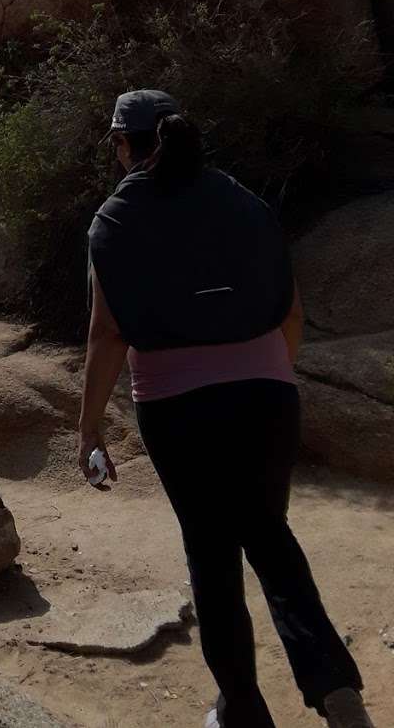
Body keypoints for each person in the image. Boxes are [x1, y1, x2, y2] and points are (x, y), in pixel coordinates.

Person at [78, 90, 372, 728]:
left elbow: (108, 335)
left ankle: (241, 708)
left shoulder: (115, 219)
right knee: (270, 536)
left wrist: (89, 428)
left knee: (210, 552)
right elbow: (289, 312)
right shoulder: (243, 201)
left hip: (177, 408)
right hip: (268, 398)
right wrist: (265, 376)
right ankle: (331, 684)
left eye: (113, 140)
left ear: (128, 145)